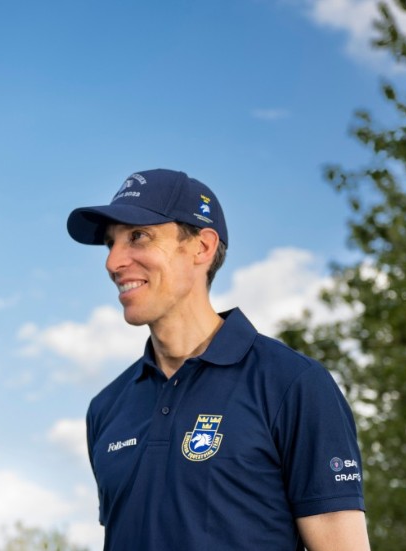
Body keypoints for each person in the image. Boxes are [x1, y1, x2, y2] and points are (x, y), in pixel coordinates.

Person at [66, 169, 370, 550]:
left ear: (202, 248)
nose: (113, 262)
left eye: (138, 236)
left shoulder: (293, 385)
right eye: (110, 243)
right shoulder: (107, 408)